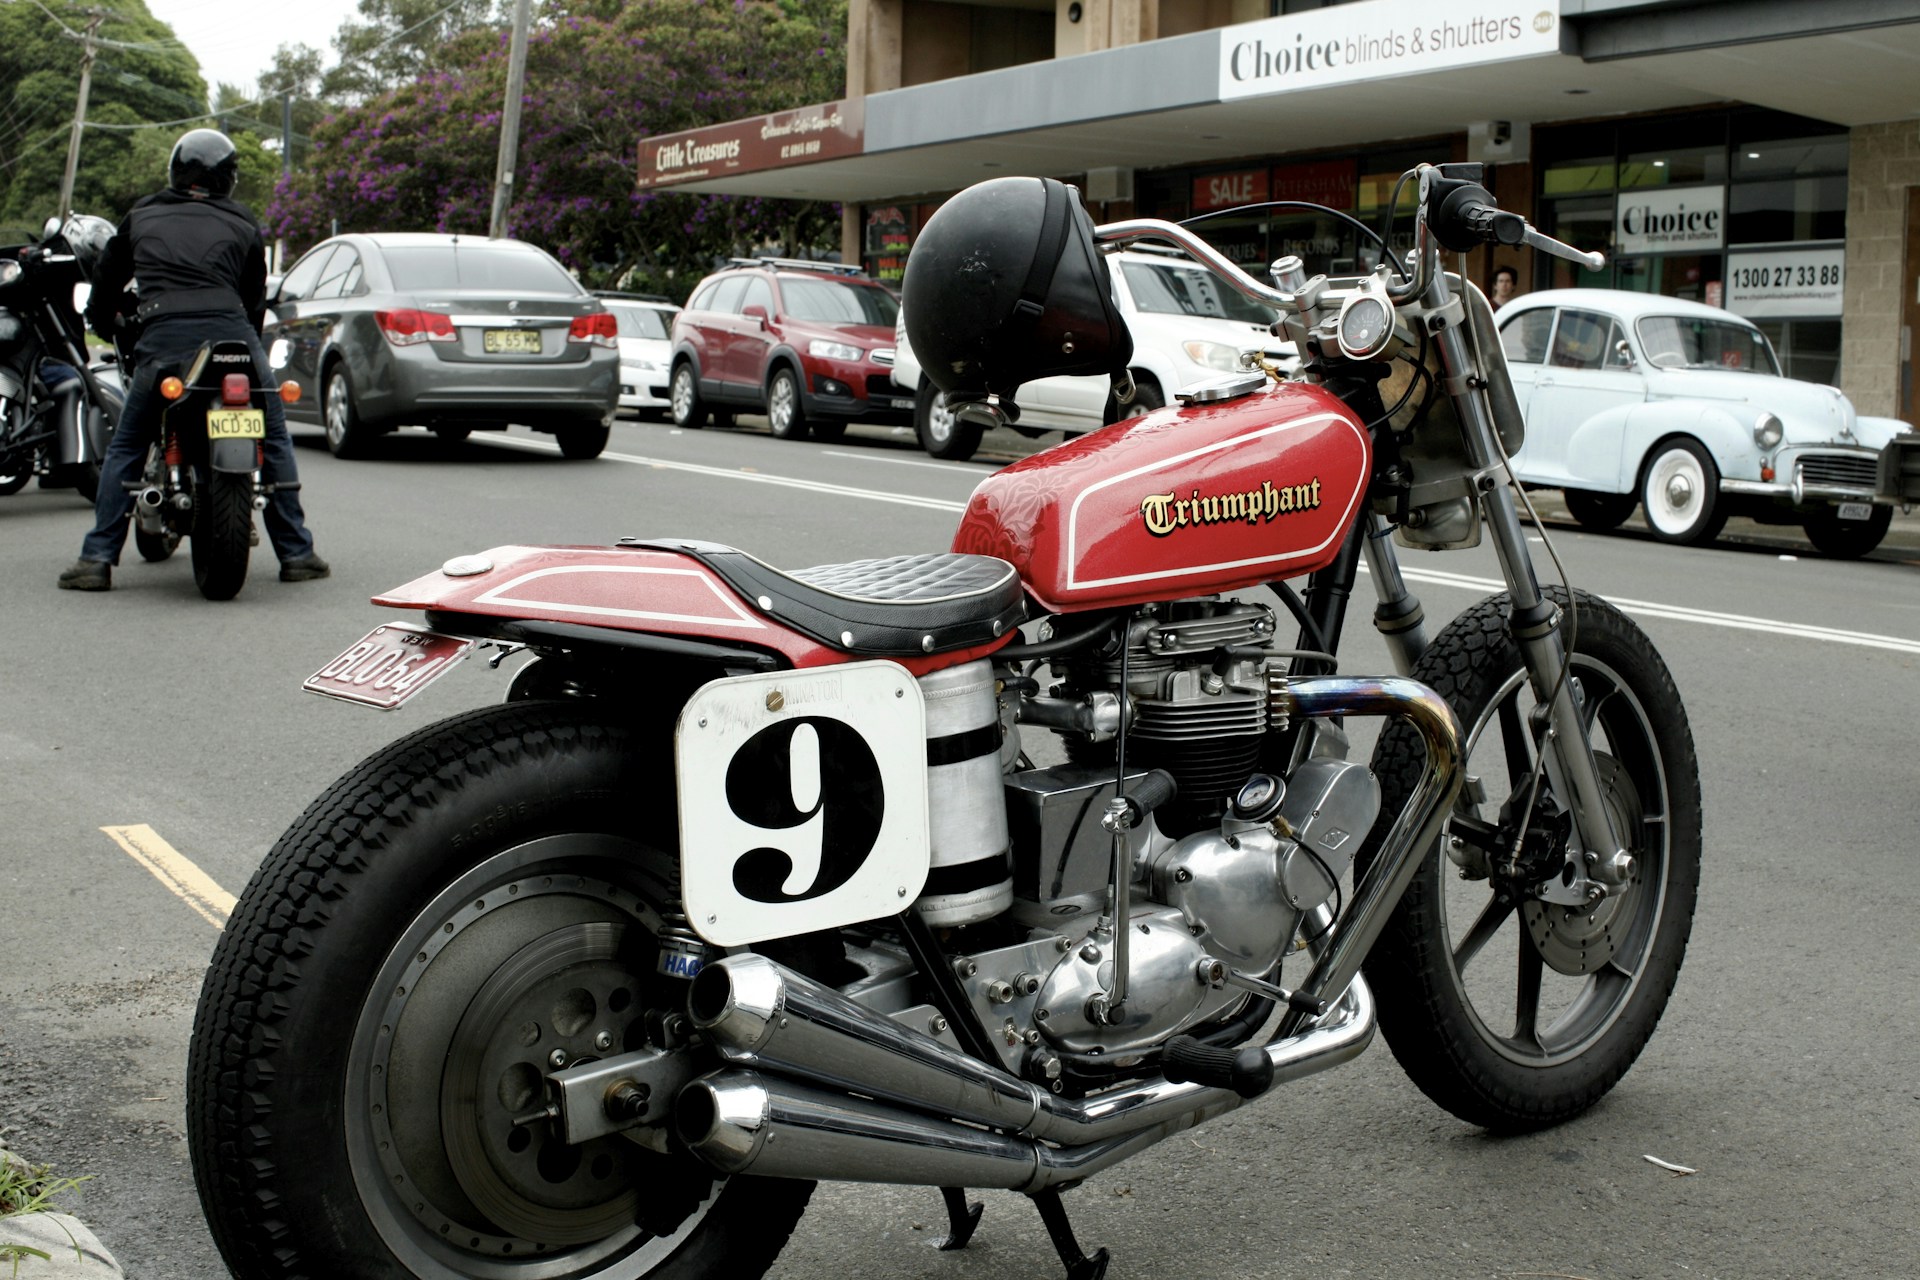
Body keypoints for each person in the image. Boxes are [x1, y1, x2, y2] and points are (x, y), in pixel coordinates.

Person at [57, 129, 327, 591]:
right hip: (234, 337)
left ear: (175, 172)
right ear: (229, 178)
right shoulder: (243, 221)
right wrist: (246, 338)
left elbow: (105, 284)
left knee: (127, 444)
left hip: (164, 342)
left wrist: (104, 320)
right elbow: (253, 298)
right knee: (275, 434)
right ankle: (297, 553)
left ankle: (97, 559)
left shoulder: (140, 216)